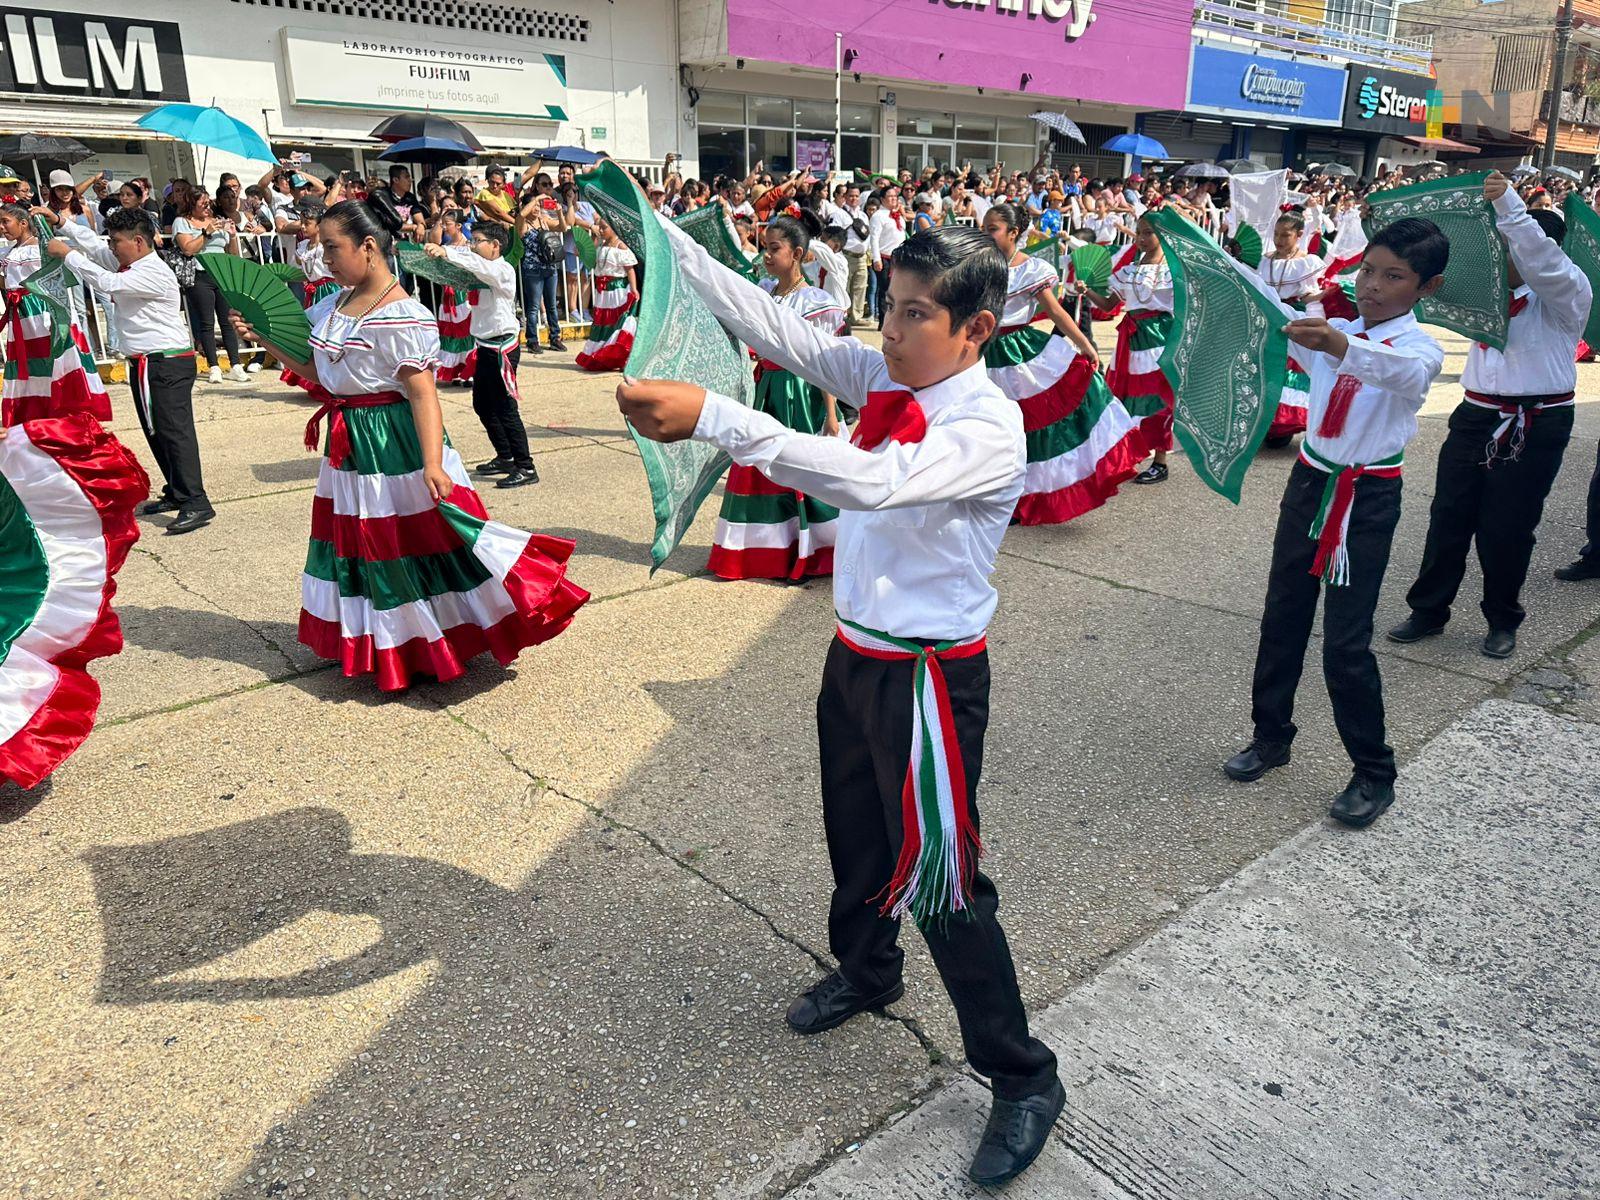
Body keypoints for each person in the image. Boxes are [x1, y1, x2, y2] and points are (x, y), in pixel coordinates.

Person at [620, 220, 1063, 1189]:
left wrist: (719, 417)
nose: (890, 331)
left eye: (914, 314)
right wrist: (664, 248)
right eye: (886, 306)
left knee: (944, 882)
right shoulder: (889, 380)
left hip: (928, 679)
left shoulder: (983, 426)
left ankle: (1021, 1074)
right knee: (855, 837)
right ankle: (867, 970)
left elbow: (870, 480)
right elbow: (784, 331)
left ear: (975, 327)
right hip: (856, 656)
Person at [229, 200, 587, 689]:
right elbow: (320, 373)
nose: (325, 259)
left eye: (333, 248)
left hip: (394, 443)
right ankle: (385, 641)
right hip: (351, 444)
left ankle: (428, 641)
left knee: (415, 540)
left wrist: (433, 463)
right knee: (364, 544)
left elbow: (423, 395)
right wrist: (265, 339)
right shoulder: (333, 304)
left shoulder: (404, 315)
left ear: (369, 247)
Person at [1225, 217, 1448, 830]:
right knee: (1283, 615)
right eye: (1368, 270)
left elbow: (1402, 375)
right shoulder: (1338, 330)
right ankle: (1271, 737)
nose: (1373, 285)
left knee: (1346, 641)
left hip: (1367, 496)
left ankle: (1374, 772)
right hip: (1310, 482)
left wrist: (1339, 345)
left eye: (1393, 276)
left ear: (1426, 287)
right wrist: (1226, 268)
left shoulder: (1419, 348)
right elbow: (1276, 321)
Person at [1391, 173, 1591, 658]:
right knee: (1448, 515)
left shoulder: (1567, 294)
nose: (1501, 257)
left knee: (1509, 525)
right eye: (1498, 246)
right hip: (1476, 414)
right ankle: (1429, 611)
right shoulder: (1481, 293)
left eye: (1510, 247)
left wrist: (1512, 210)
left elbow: (1542, 261)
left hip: (1537, 422)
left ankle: (1502, 618)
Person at [48, 206, 212, 533]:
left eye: (117, 241)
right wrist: (62, 222)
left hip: (165, 362)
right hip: (147, 362)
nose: (111, 246)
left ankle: (196, 501)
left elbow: (107, 282)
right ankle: (178, 491)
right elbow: (95, 246)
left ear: (138, 241)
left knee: (174, 432)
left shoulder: (151, 270)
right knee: (157, 432)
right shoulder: (130, 263)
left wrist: (68, 256)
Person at [980, 203, 1145, 525]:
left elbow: (1057, 312)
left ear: (1014, 233)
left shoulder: (1030, 269)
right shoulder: (976, 264)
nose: (985, 234)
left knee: (1025, 427)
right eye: (983, 228)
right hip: (978, 352)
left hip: (1015, 356)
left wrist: (1085, 347)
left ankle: (1021, 497)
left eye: (992, 229)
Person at [708, 213, 845, 580]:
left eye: (774, 248)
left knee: (801, 468)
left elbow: (825, 362)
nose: (766, 255)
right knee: (760, 463)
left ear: (797, 253)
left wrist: (830, 414)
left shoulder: (815, 302)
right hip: (768, 389)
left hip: (800, 395)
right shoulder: (768, 293)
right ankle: (764, 551)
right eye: (765, 248)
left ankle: (812, 548)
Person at [426, 223, 538, 488]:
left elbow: (479, 266)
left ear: (495, 245)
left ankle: (526, 466)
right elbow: (468, 261)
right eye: (472, 241)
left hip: (502, 349)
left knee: (506, 408)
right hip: (485, 347)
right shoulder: (480, 267)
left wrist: (447, 253)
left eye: (477, 241)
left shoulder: (501, 270)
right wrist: (443, 252)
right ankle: (505, 456)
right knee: (482, 404)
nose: (472, 246)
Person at [1081, 216, 1176, 484]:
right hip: (1132, 338)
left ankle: (1160, 461)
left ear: (1162, 234)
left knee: (1157, 397)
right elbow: (1110, 304)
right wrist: (1086, 291)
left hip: (1159, 337)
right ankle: (1130, 450)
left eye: (1148, 233)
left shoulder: (1173, 270)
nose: (1141, 238)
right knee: (1126, 396)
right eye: (1138, 233)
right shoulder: (1130, 269)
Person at [0, 203, 111, 426]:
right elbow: (8, 283)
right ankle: (34, 413)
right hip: (22, 316)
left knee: (54, 360)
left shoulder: (43, 248)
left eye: (5, 222)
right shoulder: (8, 253)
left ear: (23, 223)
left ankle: (65, 410)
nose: (2, 227)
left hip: (44, 311)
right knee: (31, 365)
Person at [1255, 212, 1327, 447]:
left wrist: (1323, 300)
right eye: (1276, 234)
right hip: (1267, 320)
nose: (1279, 239)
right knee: (1265, 369)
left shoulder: (1306, 262)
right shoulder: (1266, 260)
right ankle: (1266, 422)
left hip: (1293, 319)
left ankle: (1285, 422)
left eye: (1285, 235)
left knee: (1290, 370)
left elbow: (1308, 296)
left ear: (1299, 235)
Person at [172, 189, 249, 382]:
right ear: (192, 203)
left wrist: (231, 235)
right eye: (202, 203)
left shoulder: (218, 220)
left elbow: (233, 254)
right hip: (199, 274)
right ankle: (213, 366)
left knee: (227, 321)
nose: (207, 206)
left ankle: (235, 364)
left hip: (222, 274)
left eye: (208, 202)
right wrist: (206, 233)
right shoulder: (182, 222)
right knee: (206, 322)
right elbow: (188, 249)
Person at [574, 216, 638, 372]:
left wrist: (634, 289)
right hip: (603, 292)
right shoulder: (601, 245)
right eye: (599, 227)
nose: (601, 230)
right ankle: (602, 354)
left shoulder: (621, 246)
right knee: (603, 323)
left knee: (619, 321)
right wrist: (591, 242)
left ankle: (622, 356)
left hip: (618, 289)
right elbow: (588, 257)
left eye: (604, 228)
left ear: (613, 228)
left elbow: (630, 269)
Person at [517, 171, 568, 354]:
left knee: (552, 305)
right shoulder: (522, 224)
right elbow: (522, 215)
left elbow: (563, 227)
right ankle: (532, 340)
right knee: (533, 307)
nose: (537, 208)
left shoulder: (543, 220)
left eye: (538, 206)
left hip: (550, 268)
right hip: (532, 270)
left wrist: (559, 213)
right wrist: (536, 198)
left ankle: (555, 338)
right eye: (534, 205)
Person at [869, 188, 905, 329]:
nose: (893, 199)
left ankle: (896, 319)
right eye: (890, 196)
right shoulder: (878, 216)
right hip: (884, 257)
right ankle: (883, 321)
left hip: (898, 258)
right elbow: (874, 238)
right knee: (885, 290)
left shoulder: (897, 215)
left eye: (895, 196)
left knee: (898, 290)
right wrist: (876, 259)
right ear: (883, 199)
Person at [295, 204, 340, 308]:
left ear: (319, 226)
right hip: (312, 289)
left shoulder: (323, 247)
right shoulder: (303, 246)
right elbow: (299, 262)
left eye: (307, 224)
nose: (302, 226)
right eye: (301, 223)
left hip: (327, 288)